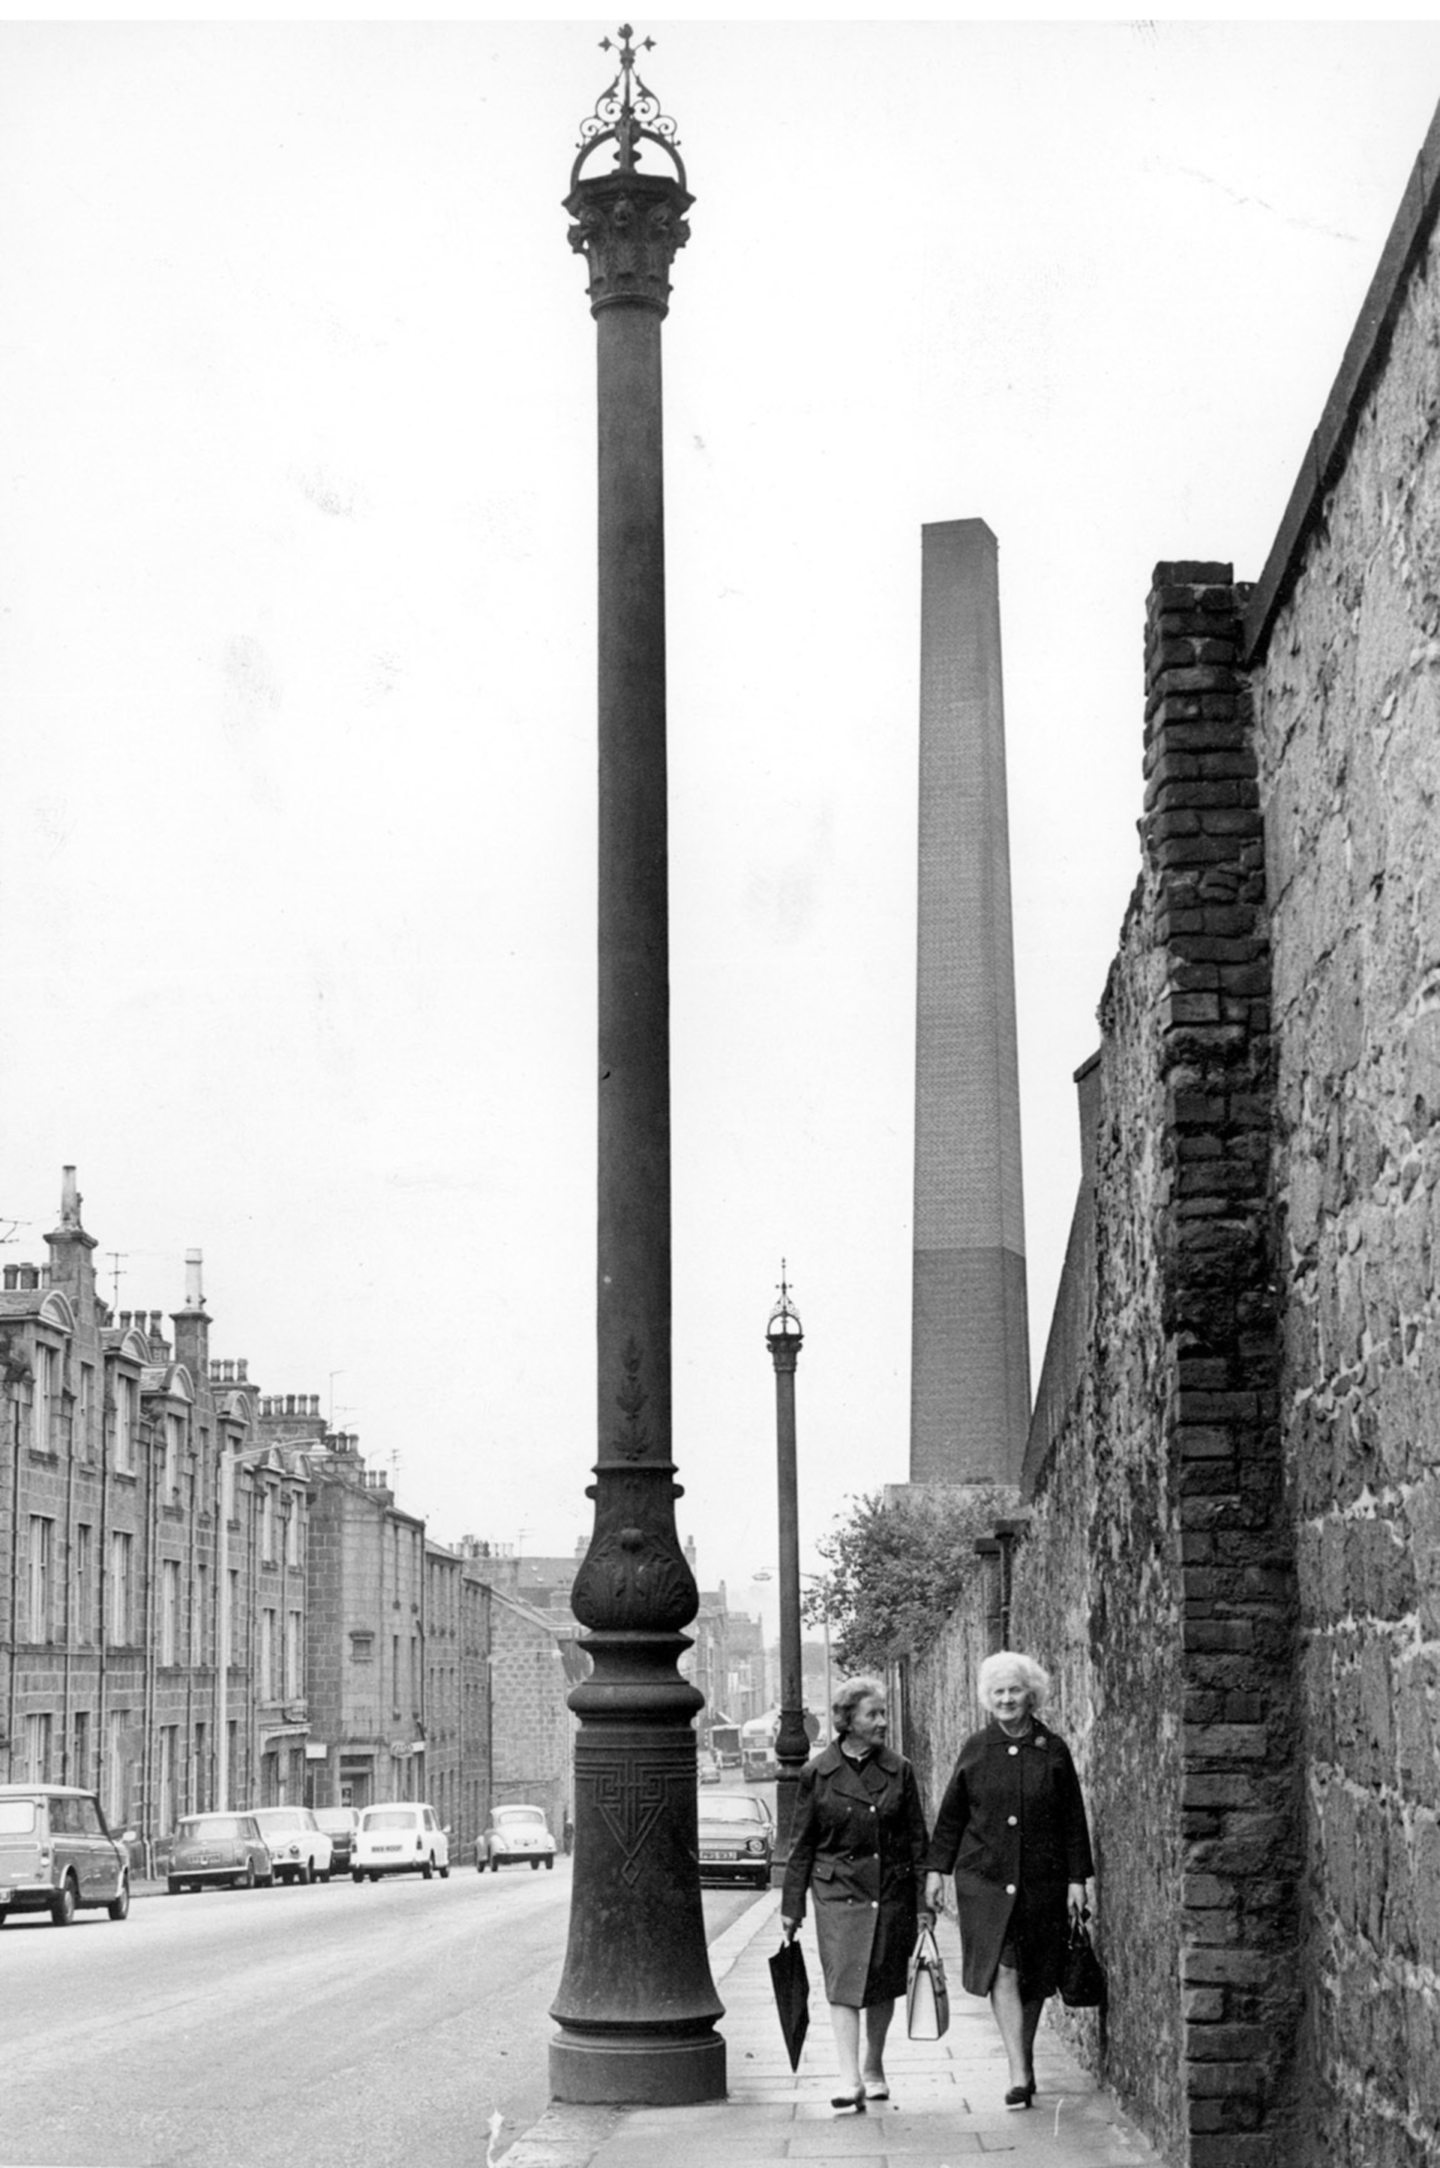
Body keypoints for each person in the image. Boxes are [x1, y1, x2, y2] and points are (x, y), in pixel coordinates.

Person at [923, 1649, 1094, 2110]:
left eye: (1014, 1690)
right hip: (984, 1878)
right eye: (998, 1692)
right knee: (1003, 1968)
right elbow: (951, 1816)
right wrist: (936, 1870)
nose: (1006, 1700)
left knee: (1035, 1975)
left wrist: (1077, 1878)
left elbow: (1073, 1818)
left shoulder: (1052, 1749)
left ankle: (1024, 2057)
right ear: (987, 1697)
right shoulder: (977, 1749)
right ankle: (1019, 2071)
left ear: (1030, 1694)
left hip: (1042, 1879)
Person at [780, 1675, 930, 2113]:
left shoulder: (900, 1769)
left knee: (881, 1981)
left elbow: (917, 1840)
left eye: (883, 1713)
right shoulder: (817, 1773)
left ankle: (873, 2065)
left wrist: (924, 1902)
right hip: (837, 1891)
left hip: (889, 1890)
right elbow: (801, 1844)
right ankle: (849, 2080)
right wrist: (792, 1907)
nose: (882, 1722)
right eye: (873, 1714)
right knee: (843, 1981)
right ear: (848, 1720)